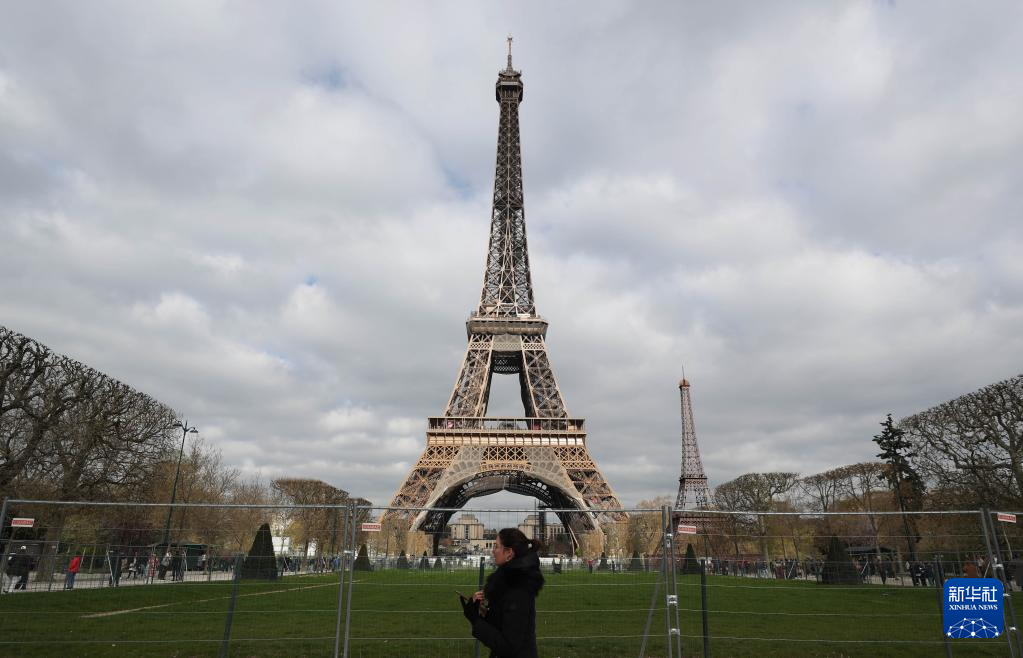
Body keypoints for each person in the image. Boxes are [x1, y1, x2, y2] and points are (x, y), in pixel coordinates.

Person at [460, 528, 544, 658]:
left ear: (509, 553)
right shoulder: (510, 584)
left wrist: (475, 620)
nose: (493, 551)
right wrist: (481, 613)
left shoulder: (517, 590)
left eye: (496, 546)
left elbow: (508, 646)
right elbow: (503, 625)